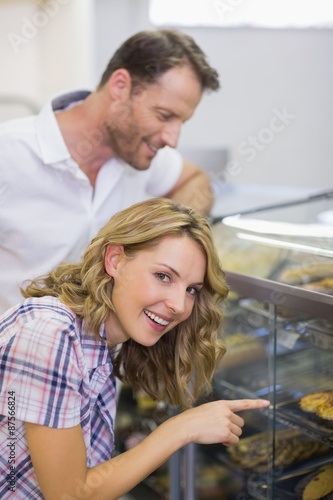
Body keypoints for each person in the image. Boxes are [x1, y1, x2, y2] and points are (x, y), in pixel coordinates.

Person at [0, 198, 269, 499]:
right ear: (114, 260)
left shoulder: (99, 339)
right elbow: (69, 495)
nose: (179, 306)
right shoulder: (51, 334)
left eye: (191, 289)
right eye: (163, 276)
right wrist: (180, 429)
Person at [0, 28, 220, 313]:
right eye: (165, 116)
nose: (172, 139)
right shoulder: (9, 154)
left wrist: (168, 238)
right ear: (120, 87)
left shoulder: (140, 153)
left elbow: (196, 180)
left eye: (181, 122)